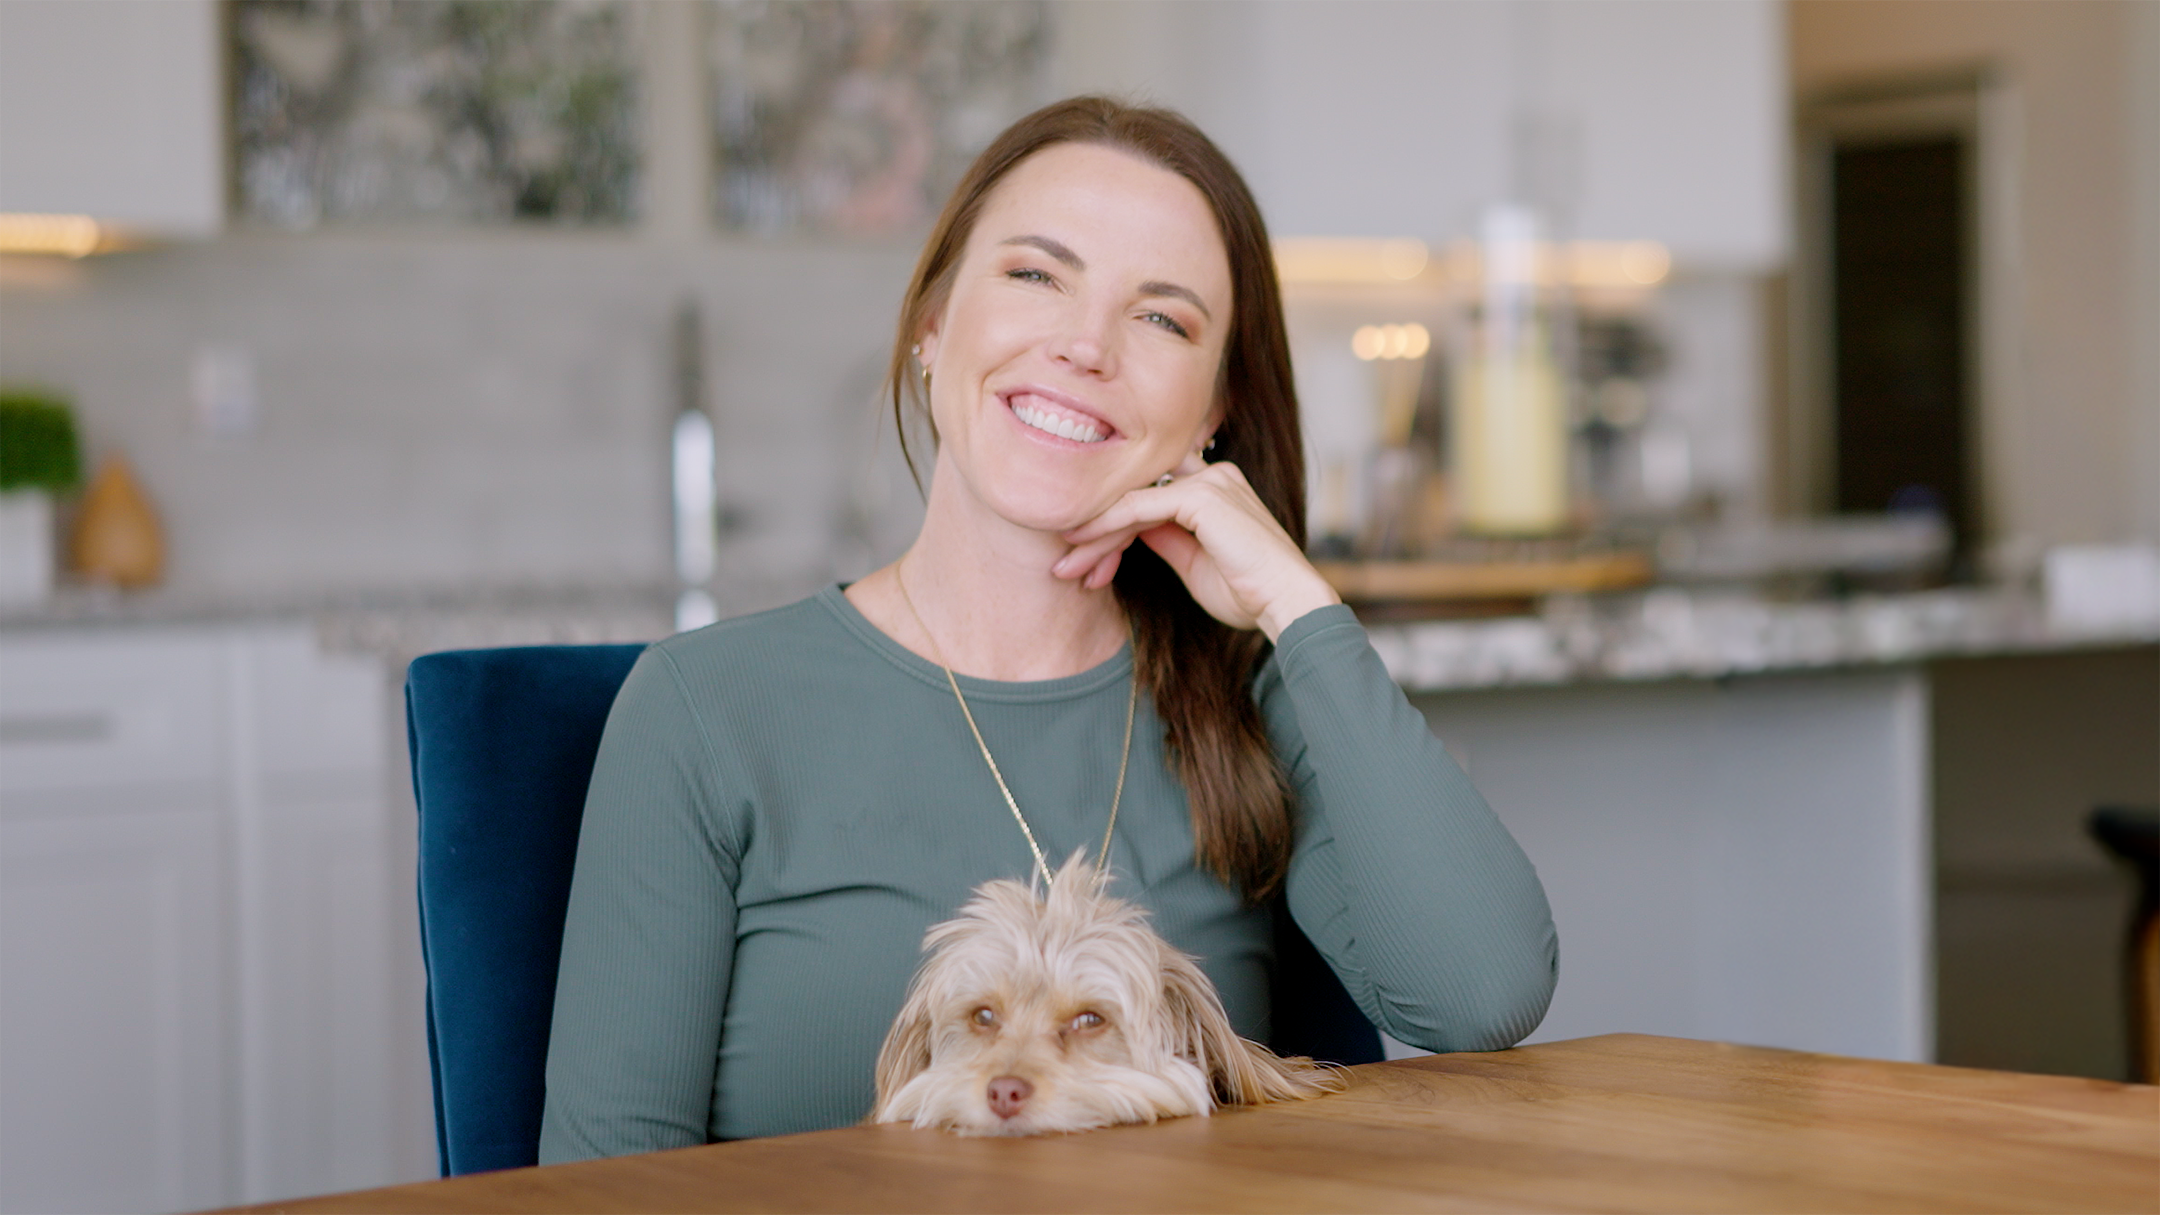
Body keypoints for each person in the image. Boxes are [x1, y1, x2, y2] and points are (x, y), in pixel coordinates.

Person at [538, 96, 1557, 1162]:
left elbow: (1483, 995)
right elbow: (603, 1183)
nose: (1085, 344)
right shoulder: (704, 709)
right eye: (1036, 275)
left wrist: (1297, 608)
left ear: (1212, 412)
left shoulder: (1248, 703)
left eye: (1161, 318)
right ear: (933, 323)